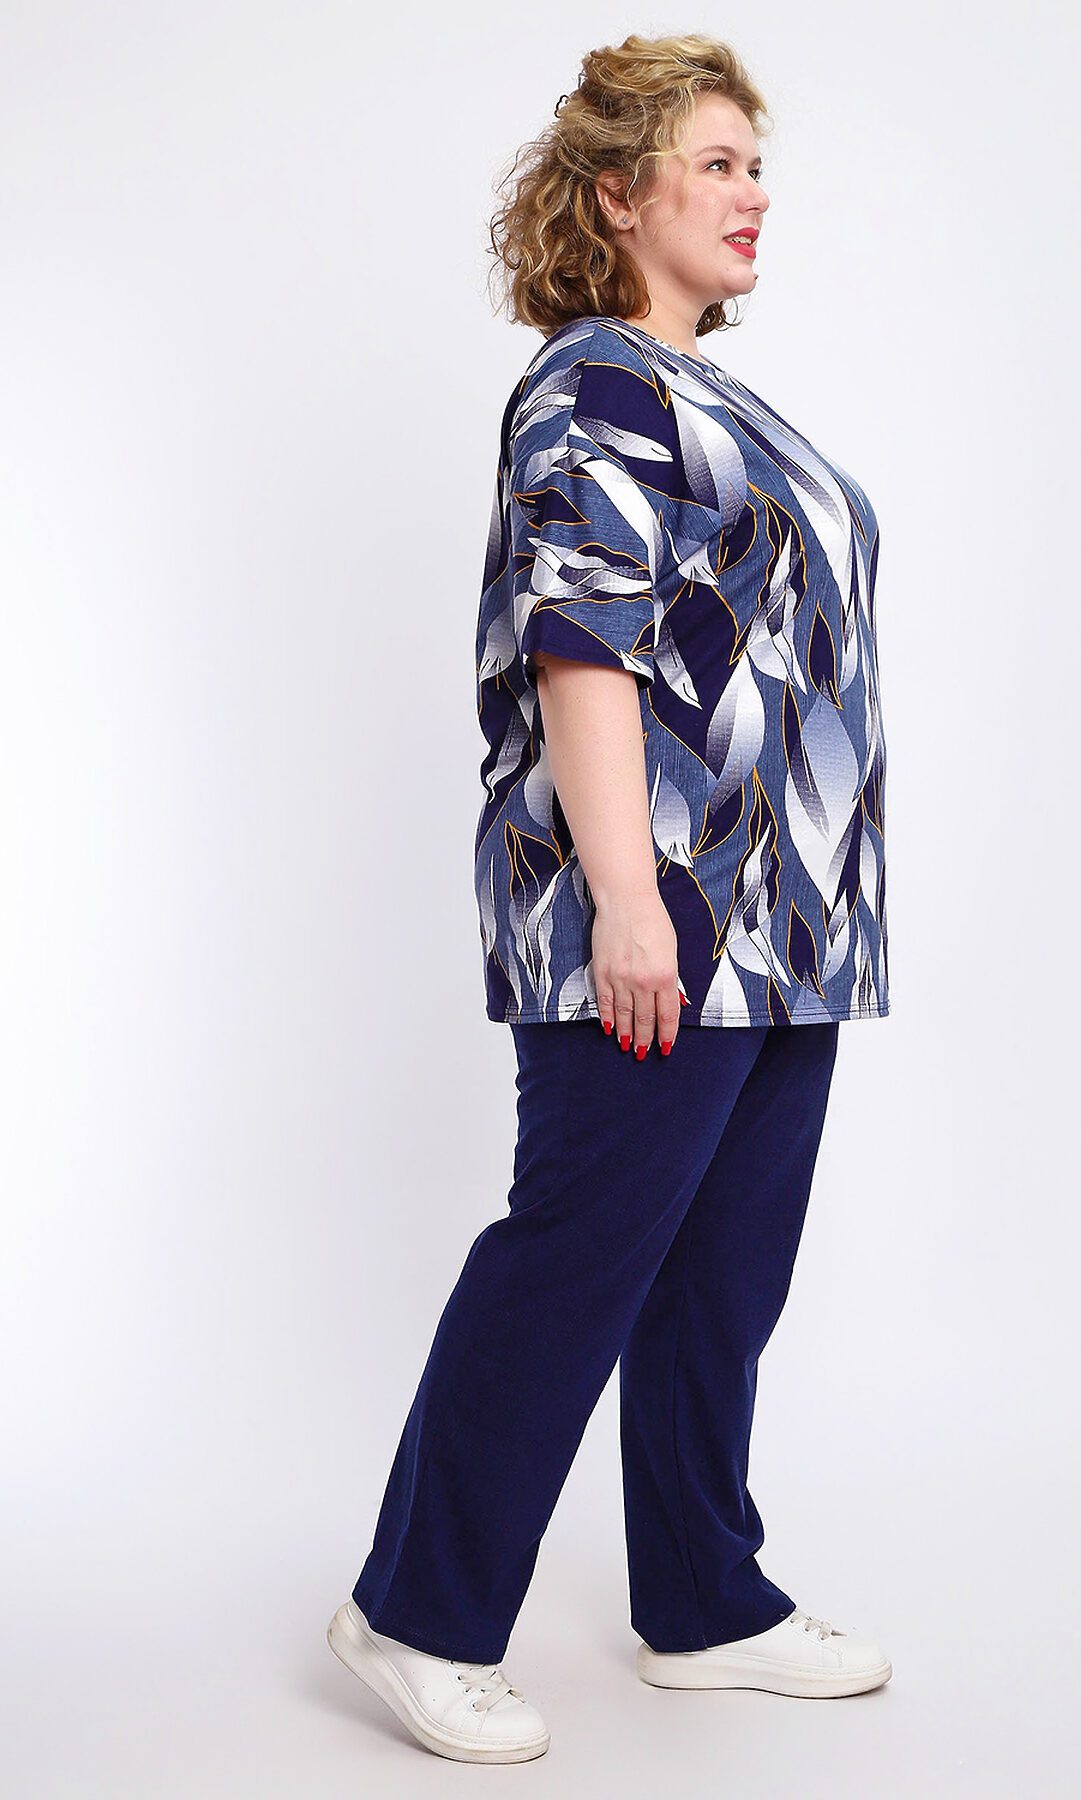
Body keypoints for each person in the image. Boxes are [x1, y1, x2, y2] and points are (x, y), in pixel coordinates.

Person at [327, 32, 893, 1765]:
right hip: (664, 918)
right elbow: (583, 641)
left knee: (722, 1272)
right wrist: (630, 901)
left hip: (785, 923)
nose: (753, 193)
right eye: (716, 163)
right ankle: (415, 1614)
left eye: (755, 163)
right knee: (575, 1256)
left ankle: (704, 1602)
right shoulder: (594, 383)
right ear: (616, 196)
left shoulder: (717, 393)